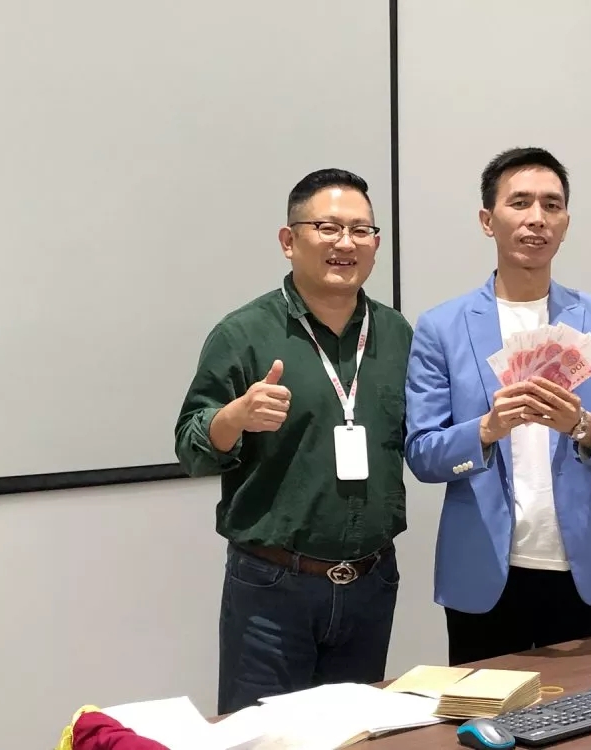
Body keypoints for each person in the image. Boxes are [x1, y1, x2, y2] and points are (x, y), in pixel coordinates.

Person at [175, 168, 413, 713]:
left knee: (354, 735)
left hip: (371, 582)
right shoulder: (243, 333)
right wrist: (234, 417)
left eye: (361, 230)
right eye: (328, 228)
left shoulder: (396, 334)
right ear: (289, 240)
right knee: (264, 737)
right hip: (273, 588)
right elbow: (190, 444)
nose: (346, 243)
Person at [404, 147, 591, 666]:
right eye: (520, 203)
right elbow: (423, 455)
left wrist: (582, 425)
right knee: (489, 711)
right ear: (487, 220)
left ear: (565, 224)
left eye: (551, 205)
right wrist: (486, 429)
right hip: (484, 573)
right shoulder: (442, 328)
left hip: (585, 572)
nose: (537, 218)